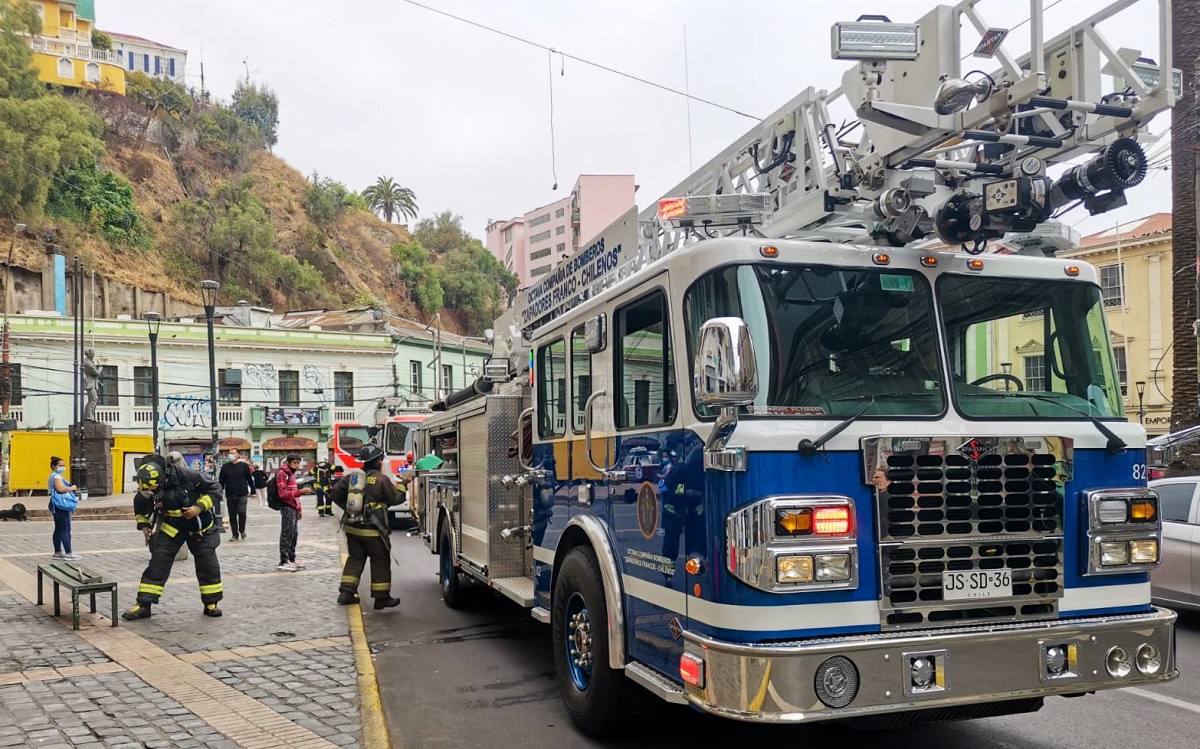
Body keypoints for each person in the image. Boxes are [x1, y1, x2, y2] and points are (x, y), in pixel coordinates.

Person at [122, 456, 225, 620]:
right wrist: (145, 526)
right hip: (173, 526)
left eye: (154, 487)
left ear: (162, 478)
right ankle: (143, 604)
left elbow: (215, 489)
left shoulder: (189, 476)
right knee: (158, 561)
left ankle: (211, 603)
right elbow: (140, 504)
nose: (151, 491)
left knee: (207, 562)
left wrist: (198, 508)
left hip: (199, 527)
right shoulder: (148, 485)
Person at [327, 443, 402, 609]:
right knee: (380, 560)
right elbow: (396, 499)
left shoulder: (352, 477)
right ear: (378, 462)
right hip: (373, 531)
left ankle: (346, 593)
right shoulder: (381, 479)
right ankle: (382, 598)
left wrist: (350, 509)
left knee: (355, 558)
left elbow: (334, 494)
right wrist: (404, 484)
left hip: (352, 528)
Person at [275, 454, 312, 571]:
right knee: (287, 533)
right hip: (287, 507)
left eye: (298, 462)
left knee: (294, 534)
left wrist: (299, 508)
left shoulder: (291, 474)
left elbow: (293, 491)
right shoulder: (282, 474)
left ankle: (291, 559)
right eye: (295, 462)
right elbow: (282, 494)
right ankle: (284, 560)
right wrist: (300, 492)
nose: (297, 465)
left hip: (294, 507)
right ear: (289, 462)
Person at [47, 456, 81, 561]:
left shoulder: (53, 476)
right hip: (61, 505)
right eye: (60, 465)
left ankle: (58, 552)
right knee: (65, 528)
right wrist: (72, 488)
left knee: (58, 528)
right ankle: (68, 552)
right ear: (54, 466)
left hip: (55, 504)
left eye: (63, 465)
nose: (62, 467)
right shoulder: (56, 477)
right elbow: (61, 489)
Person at [218, 449, 254, 540]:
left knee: (242, 512)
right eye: (229, 453)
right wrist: (219, 491)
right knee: (232, 515)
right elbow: (221, 481)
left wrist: (253, 490)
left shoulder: (244, 466)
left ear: (238, 455)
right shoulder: (225, 467)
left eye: (233, 453)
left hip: (242, 494)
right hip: (230, 494)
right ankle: (235, 534)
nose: (230, 455)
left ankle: (242, 530)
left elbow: (249, 479)